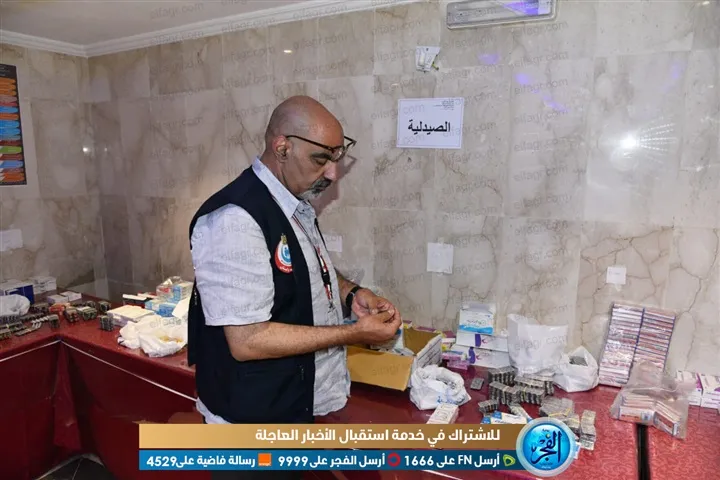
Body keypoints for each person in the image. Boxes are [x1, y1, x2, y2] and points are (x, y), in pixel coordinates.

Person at [187, 96, 403, 479]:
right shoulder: (235, 220)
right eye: (322, 159)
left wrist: (352, 294)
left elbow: (306, 269)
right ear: (282, 148)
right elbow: (248, 340)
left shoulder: (292, 201)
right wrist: (353, 333)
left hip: (288, 413)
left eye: (337, 158)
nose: (332, 173)